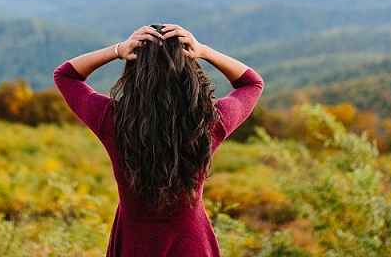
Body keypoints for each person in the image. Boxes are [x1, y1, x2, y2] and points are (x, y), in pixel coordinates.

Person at [53, 24, 264, 256]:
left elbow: (66, 76)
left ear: (134, 69)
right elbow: (251, 83)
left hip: (134, 246)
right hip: (192, 246)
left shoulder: (112, 120)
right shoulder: (209, 122)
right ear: (189, 69)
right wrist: (203, 50)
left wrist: (117, 49)